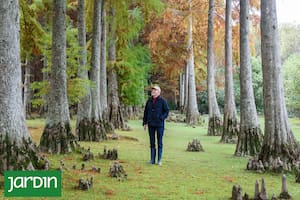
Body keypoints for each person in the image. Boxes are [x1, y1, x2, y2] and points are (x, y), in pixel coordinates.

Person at [143, 85, 169, 166]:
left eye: (155, 90)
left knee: (159, 142)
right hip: (151, 124)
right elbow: (145, 112)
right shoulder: (149, 101)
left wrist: (161, 118)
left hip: (159, 124)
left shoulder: (162, 101)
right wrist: (145, 122)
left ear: (158, 92)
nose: (153, 91)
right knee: (152, 142)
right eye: (152, 90)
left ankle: (159, 160)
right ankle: (152, 159)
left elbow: (166, 111)